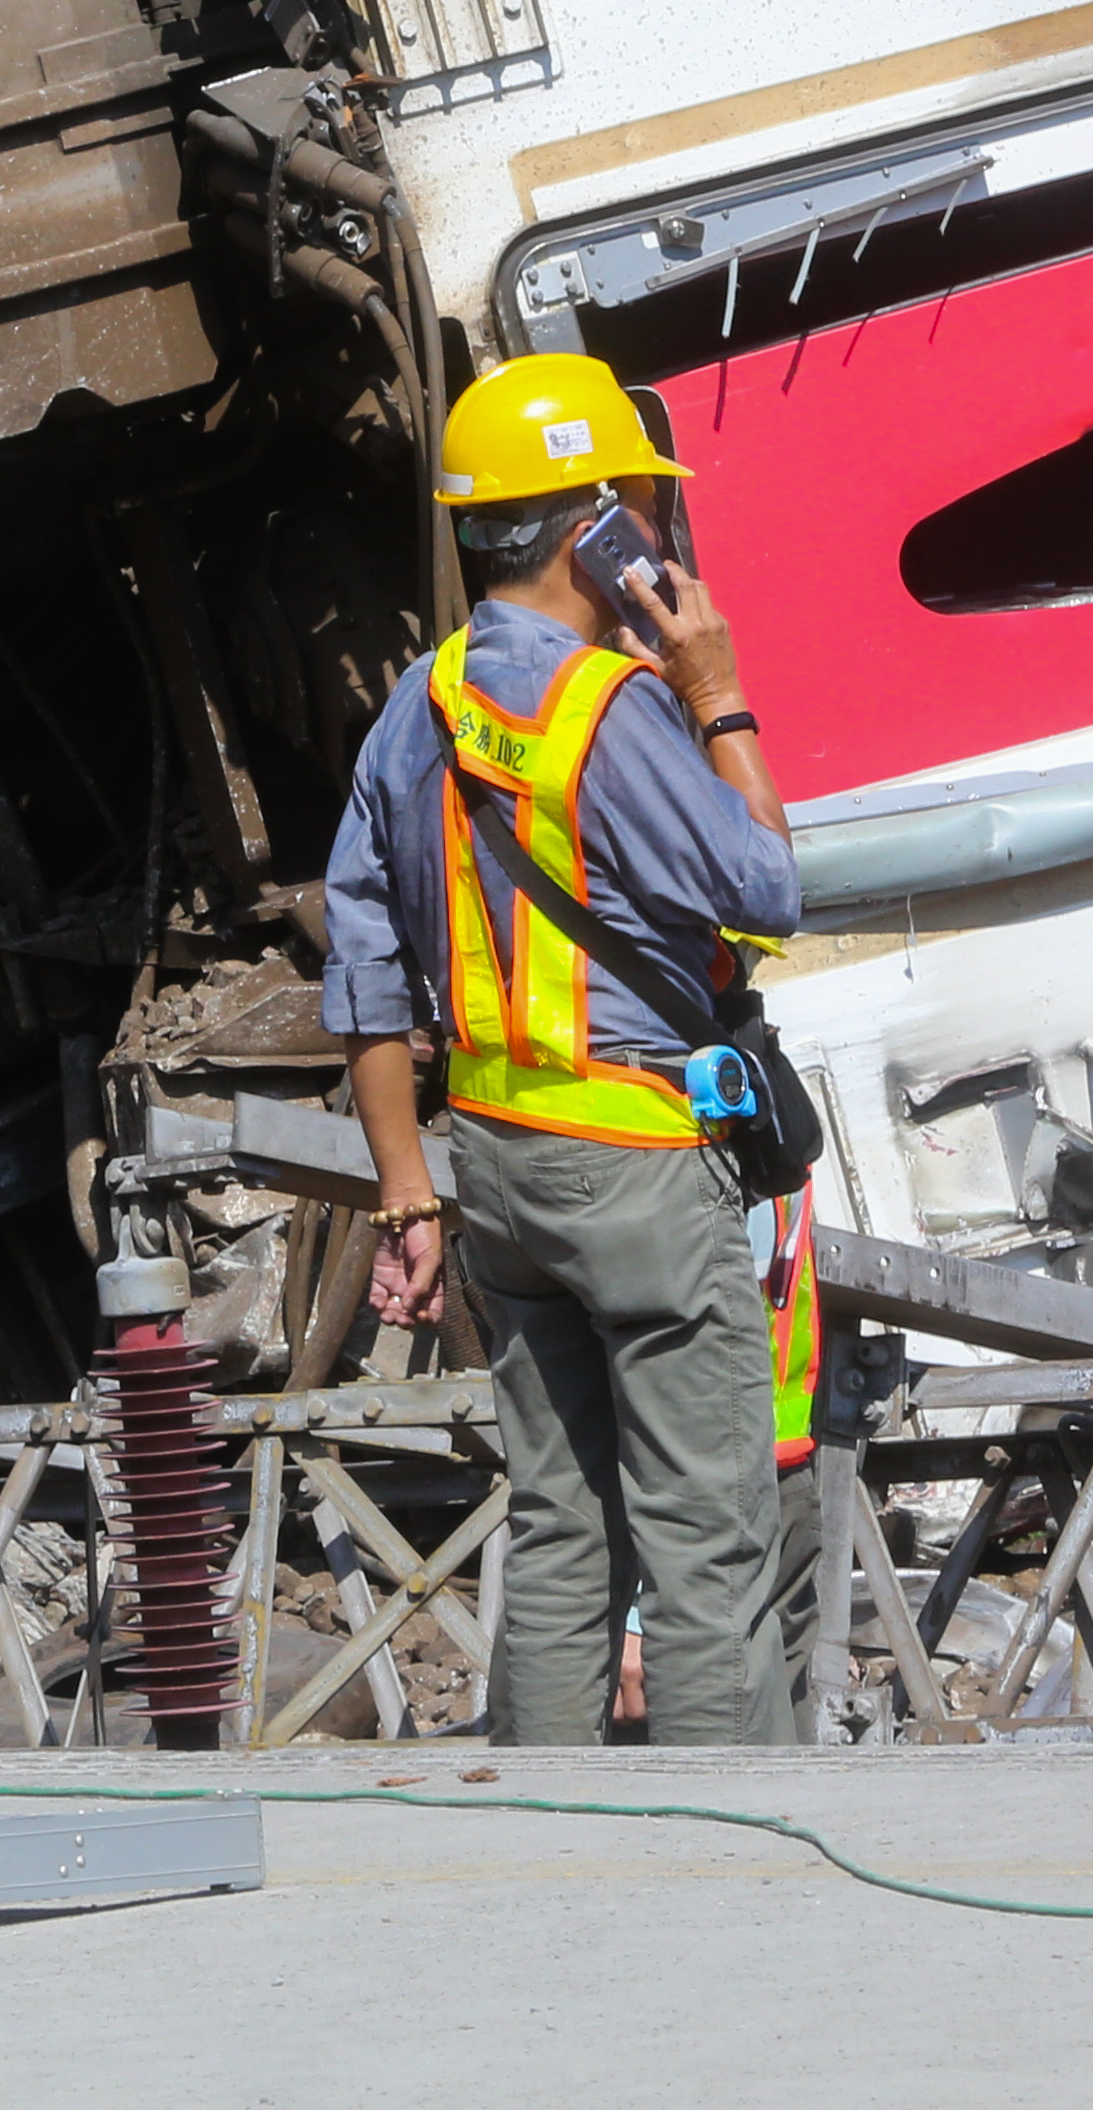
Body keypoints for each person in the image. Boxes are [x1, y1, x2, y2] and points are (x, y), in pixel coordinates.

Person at [322, 352, 804, 1747]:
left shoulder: (422, 702)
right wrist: (716, 689)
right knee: (708, 1536)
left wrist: (406, 1185)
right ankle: (734, 1858)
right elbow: (766, 889)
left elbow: (360, 967)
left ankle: (548, 1824)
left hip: (499, 1172)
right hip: (642, 1164)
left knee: (560, 1520)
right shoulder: (612, 708)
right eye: (641, 506)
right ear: (595, 523)